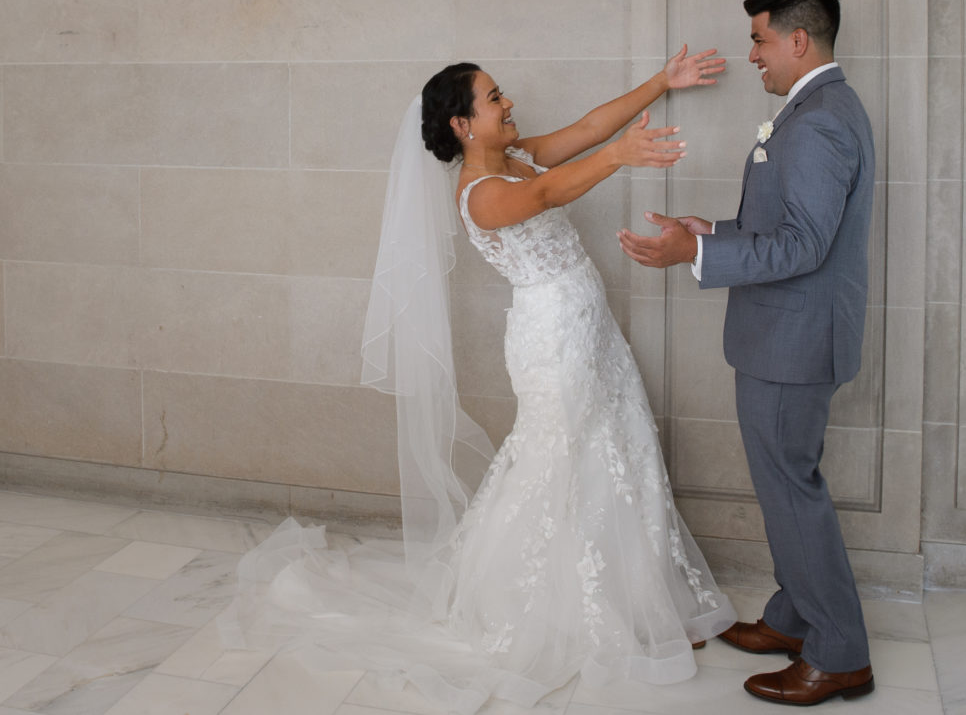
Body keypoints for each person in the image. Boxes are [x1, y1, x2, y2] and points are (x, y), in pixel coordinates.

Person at [218, 46, 736, 715]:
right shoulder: (482, 193)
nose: (508, 103)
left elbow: (585, 130)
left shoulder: (517, 157)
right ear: (463, 124)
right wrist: (619, 158)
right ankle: (554, 612)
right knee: (562, 461)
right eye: (494, 98)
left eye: (502, 93)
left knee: (616, 446)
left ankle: (637, 605)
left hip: (588, 325)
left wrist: (662, 82)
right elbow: (550, 191)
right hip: (552, 340)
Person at [618, 0, 876, 707]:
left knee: (793, 493)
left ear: (798, 41)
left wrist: (691, 259)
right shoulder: (817, 108)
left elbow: (804, 245)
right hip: (784, 336)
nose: (752, 53)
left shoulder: (822, 119)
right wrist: (711, 233)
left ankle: (838, 652)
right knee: (784, 487)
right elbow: (787, 229)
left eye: (760, 39)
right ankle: (796, 618)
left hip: (793, 343)